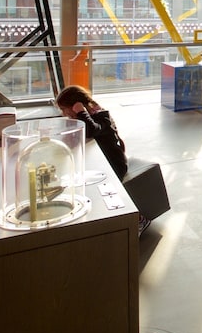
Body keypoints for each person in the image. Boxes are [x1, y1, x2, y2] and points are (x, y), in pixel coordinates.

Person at [55, 85, 149, 235]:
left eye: (64, 109)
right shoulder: (85, 116)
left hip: (114, 164)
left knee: (105, 192)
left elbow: (92, 129)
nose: (63, 113)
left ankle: (140, 219)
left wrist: (81, 112)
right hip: (104, 162)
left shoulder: (100, 114)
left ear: (76, 105)